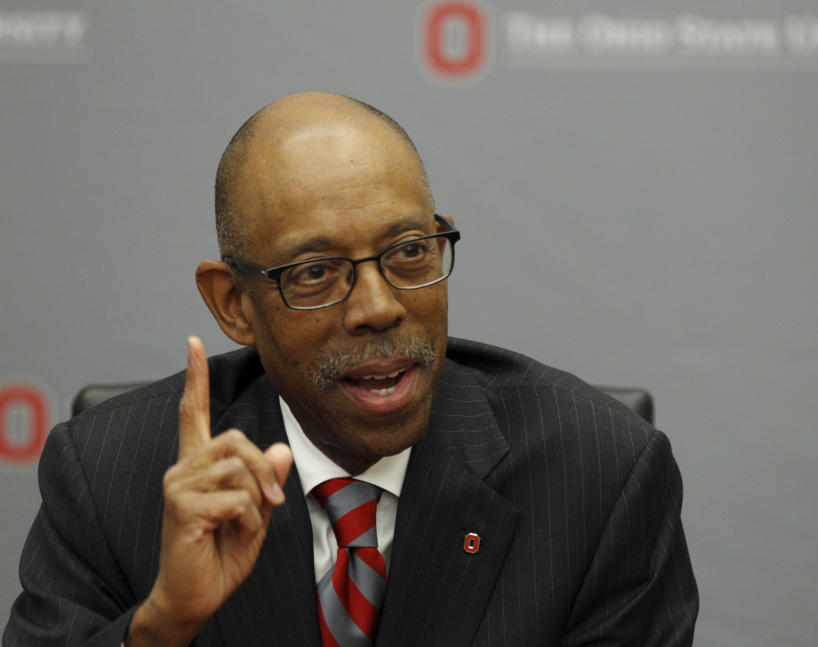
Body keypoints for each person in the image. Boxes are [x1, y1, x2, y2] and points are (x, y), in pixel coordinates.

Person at [3, 92, 698, 647]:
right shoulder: (109, 474)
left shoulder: (600, 477)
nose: (379, 306)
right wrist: (159, 628)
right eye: (315, 272)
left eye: (410, 251)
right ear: (234, 303)